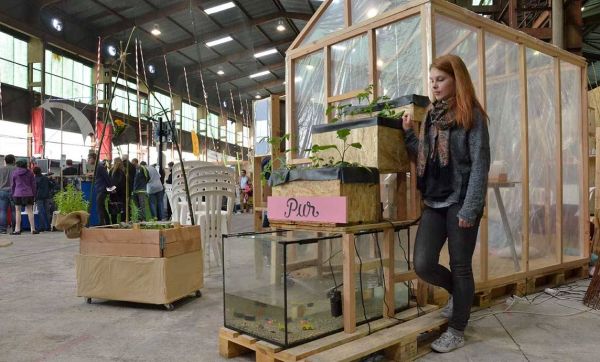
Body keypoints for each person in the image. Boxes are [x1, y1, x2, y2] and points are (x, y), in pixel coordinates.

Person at [402, 54, 490, 353]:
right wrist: (407, 135)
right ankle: (460, 295)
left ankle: (457, 329)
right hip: (434, 200)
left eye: (440, 79)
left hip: (462, 199)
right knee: (424, 264)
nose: (435, 85)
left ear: (457, 79)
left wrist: (471, 207)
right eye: (432, 80)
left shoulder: (471, 115)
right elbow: (425, 155)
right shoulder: (431, 115)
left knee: (460, 265)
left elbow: (480, 163)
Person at [11, 159, 39, 235]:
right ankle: (33, 229)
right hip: (28, 194)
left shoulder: (14, 173)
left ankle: (17, 230)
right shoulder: (30, 173)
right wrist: (34, 194)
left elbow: (13, 185)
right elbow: (33, 185)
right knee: (30, 211)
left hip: (17, 193)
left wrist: (12, 193)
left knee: (18, 211)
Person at [88, 153, 112, 226]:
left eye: (89, 158)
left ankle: (102, 223)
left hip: (102, 189)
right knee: (102, 206)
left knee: (100, 206)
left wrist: (112, 188)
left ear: (93, 158)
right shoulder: (97, 167)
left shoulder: (99, 167)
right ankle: (107, 223)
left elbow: (107, 177)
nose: (88, 160)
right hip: (100, 188)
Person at [0, 154, 16, 233]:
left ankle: (2, 229)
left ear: (5, 161)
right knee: (14, 211)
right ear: (13, 161)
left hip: (2, 192)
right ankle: (15, 228)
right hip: (14, 192)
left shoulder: (1, 169)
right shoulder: (16, 169)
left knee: (3, 211)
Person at [33, 167, 52, 232]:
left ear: (34, 172)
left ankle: (42, 227)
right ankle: (48, 226)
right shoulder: (46, 178)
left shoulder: (35, 179)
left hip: (39, 197)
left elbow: (34, 189)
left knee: (41, 212)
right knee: (47, 212)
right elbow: (51, 185)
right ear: (40, 171)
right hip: (47, 196)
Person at [109, 157, 126, 223]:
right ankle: (122, 223)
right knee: (122, 209)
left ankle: (114, 223)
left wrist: (110, 190)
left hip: (113, 192)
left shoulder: (112, 171)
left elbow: (110, 181)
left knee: (114, 208)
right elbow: (120, 182)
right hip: (121, 193)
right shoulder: (122, 171)